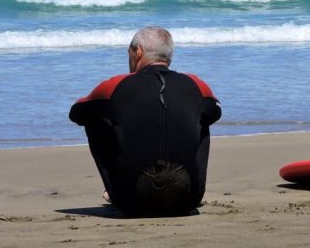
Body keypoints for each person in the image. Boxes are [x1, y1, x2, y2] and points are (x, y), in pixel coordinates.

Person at [69, 27, 221, 216]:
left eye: (129, 54)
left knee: (96, 118)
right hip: (186, 200)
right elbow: (216, 113)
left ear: (138, 52)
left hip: (130, 201)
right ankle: (193, 184)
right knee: (202, 118)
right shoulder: (196, 85)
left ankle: (114, 190)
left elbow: (76, 113)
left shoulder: (115, 86)